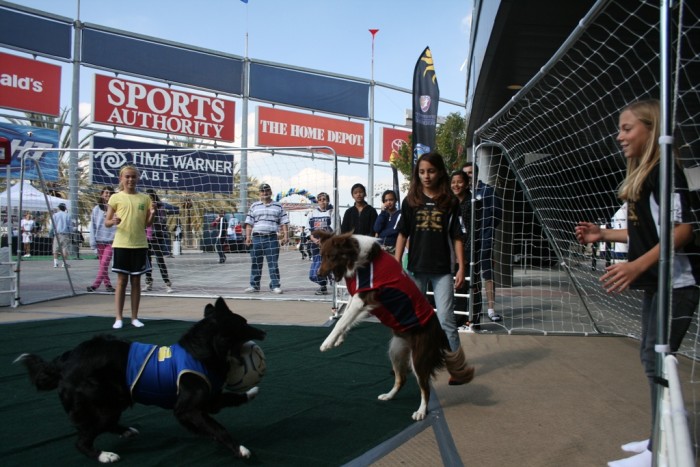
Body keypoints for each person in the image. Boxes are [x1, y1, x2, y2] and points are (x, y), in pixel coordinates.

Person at [574, 99, 699, 467]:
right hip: (659, 283)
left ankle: (665, 448)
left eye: (627, 129)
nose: (619, 136)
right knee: (652, 359)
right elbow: (644, 233)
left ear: (650, 129)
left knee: (658, 360)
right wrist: (602, 235)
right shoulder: (644, 178)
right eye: (619, 129)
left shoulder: (665, 173)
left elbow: (683, 231)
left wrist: (635, 267)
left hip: (678, 283)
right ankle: (658, 439)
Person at [394, 152, 465, 352]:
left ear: (440, 172)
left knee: (446, 319)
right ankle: (412, 360)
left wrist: (461, 267)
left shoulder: (450, 202)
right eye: (422, 172)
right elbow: (402, 234)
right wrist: (396, 262)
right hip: (415, 268)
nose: (426, 176)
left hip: (443, 270)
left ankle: (456, 366)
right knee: (413, 317)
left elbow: (457, 237)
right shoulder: (410, 201)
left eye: (431, 171)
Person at [105, 165, 153, 329]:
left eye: (133, 176)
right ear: (121, 179)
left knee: (136, 281)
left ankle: (134, 317)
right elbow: (107, 222)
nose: (130, 179)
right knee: (121, 281)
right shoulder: (115, 198)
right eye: (127, 176)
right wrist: (113, 221)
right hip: (121, 244)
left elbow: (147, 223)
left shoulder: (145, 198)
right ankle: (118, 317)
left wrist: (152, 215)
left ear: (138, 178)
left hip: (140, 244)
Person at [463, 162, 502, 322]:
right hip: (466, 243)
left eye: (471, 172)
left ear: (477, 173)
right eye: (465, 173)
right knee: (469, 275)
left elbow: (497, 214)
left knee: (487, 275)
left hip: (484, 241)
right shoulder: (462, 194)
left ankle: (491, 309)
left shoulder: (487, 191)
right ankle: (468, 308)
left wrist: (487, 231)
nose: (468, 175)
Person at [451, 171, 483, 331]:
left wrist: (465, 255)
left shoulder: (474, 203)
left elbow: (473, 231)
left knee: (472, 285)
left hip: (470, 251)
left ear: (467, 183)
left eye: (459, 182)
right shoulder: (451, 203)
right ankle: (460, 318)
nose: (456, 185)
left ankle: (473, 319)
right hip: (455, 251)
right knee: (458, 285)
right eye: (453, 182)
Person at [244, 183, 289, 294]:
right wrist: (248, 237)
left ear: (271, 192)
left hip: (272, 238)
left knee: (273, 264)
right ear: (259, 193)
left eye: (267, 190)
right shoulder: (254, 206)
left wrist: (286, 236)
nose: (265, 193)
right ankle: (254, 285)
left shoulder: (278, 206)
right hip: (257, 238)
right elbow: (249, 223)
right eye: (262, 191)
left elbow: (284, 222)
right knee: (256, 263)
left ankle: (275, 286)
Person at [87, 187, 116, 293]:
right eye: (106, 193)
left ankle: (95, 285)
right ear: (102, 194)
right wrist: (93, 243)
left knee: (104, 264)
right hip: (99, 241)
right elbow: (93, 226)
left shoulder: (115, 208)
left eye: (110, 193)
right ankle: (108, 285)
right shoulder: (96, 209)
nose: (108, 195)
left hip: (111, 241)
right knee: (102, 265)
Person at [144, 189, 173, 293]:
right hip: (145, 237)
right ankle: (148, 282)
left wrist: (154, 213)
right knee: (147, 261)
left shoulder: (160, 207)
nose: (149, 200)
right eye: (147, 198)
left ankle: (167, 283)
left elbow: (163, 221)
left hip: (156, 236)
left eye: (151, 197)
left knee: (160, 260)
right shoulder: (144, 207)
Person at [308, 191, 334, 295]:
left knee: (324, 266)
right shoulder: (312, 213)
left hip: (327, 245)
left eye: (324, 199)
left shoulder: (332, 212)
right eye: (320, 200)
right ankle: (324, 282)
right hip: (315, 245)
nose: (322, 202)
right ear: (317, 201)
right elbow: (307, 229)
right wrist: (313, 239)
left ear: (328, 201)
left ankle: (325, 284)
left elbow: (334, 228)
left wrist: (324, 239)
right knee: (313, 274)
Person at [373, 189, 401, 254]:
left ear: (395, 200)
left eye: (391, 200)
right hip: (380, 248)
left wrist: (381, 233)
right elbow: (376, 228)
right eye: (386, 200)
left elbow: (396, 230)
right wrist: (382, 212)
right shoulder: (383, 214)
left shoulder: (400, 214)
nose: (388, 202)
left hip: (393, 248)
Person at [52, 202, 72, 268]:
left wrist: (53, 232)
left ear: (59, 208)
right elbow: (70, 226)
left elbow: (53, 225)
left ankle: (55, 263)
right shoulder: (67, 215)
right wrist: (70, 233)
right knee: (65, 248)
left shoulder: (55, 215)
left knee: (55, 248)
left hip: (57, 234)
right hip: (65, 234)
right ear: (65, 208)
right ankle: (64, 263)